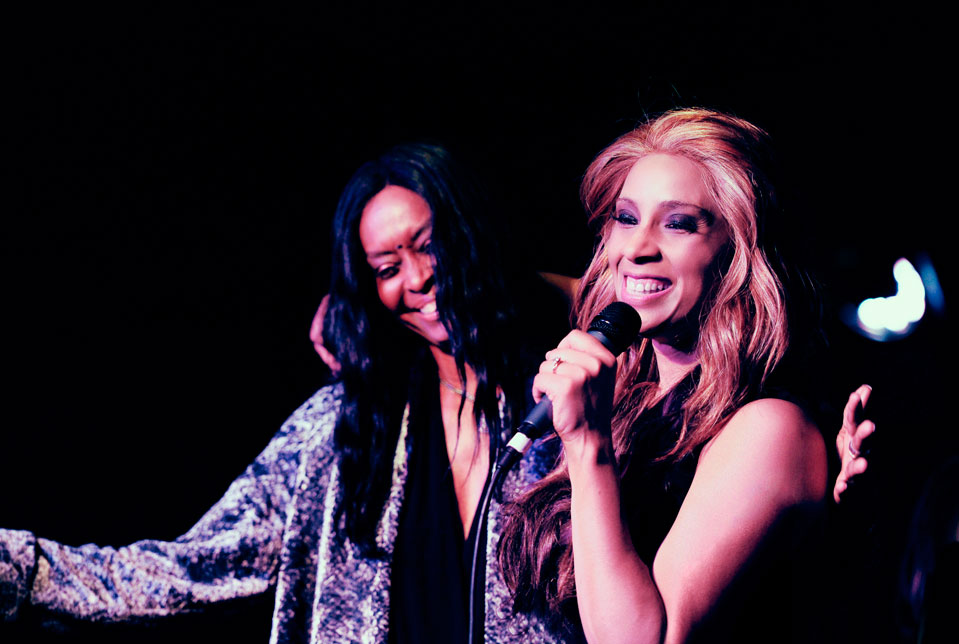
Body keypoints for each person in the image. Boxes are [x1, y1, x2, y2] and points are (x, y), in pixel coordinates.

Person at [2, 135, 871, 643]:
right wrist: (17, 564)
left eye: (431, 246)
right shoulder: (341, 433)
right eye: (385, 266)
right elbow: (187, 569)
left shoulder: (581, 396)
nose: (417, 279)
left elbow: (670, 317)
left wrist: (822, 494)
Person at [498, 108, 868, 642]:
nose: (636, 249)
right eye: (626, 218)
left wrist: (587, 446)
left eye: (678, 224)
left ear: (738, 252)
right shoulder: (630, 400)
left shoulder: (769, 427)